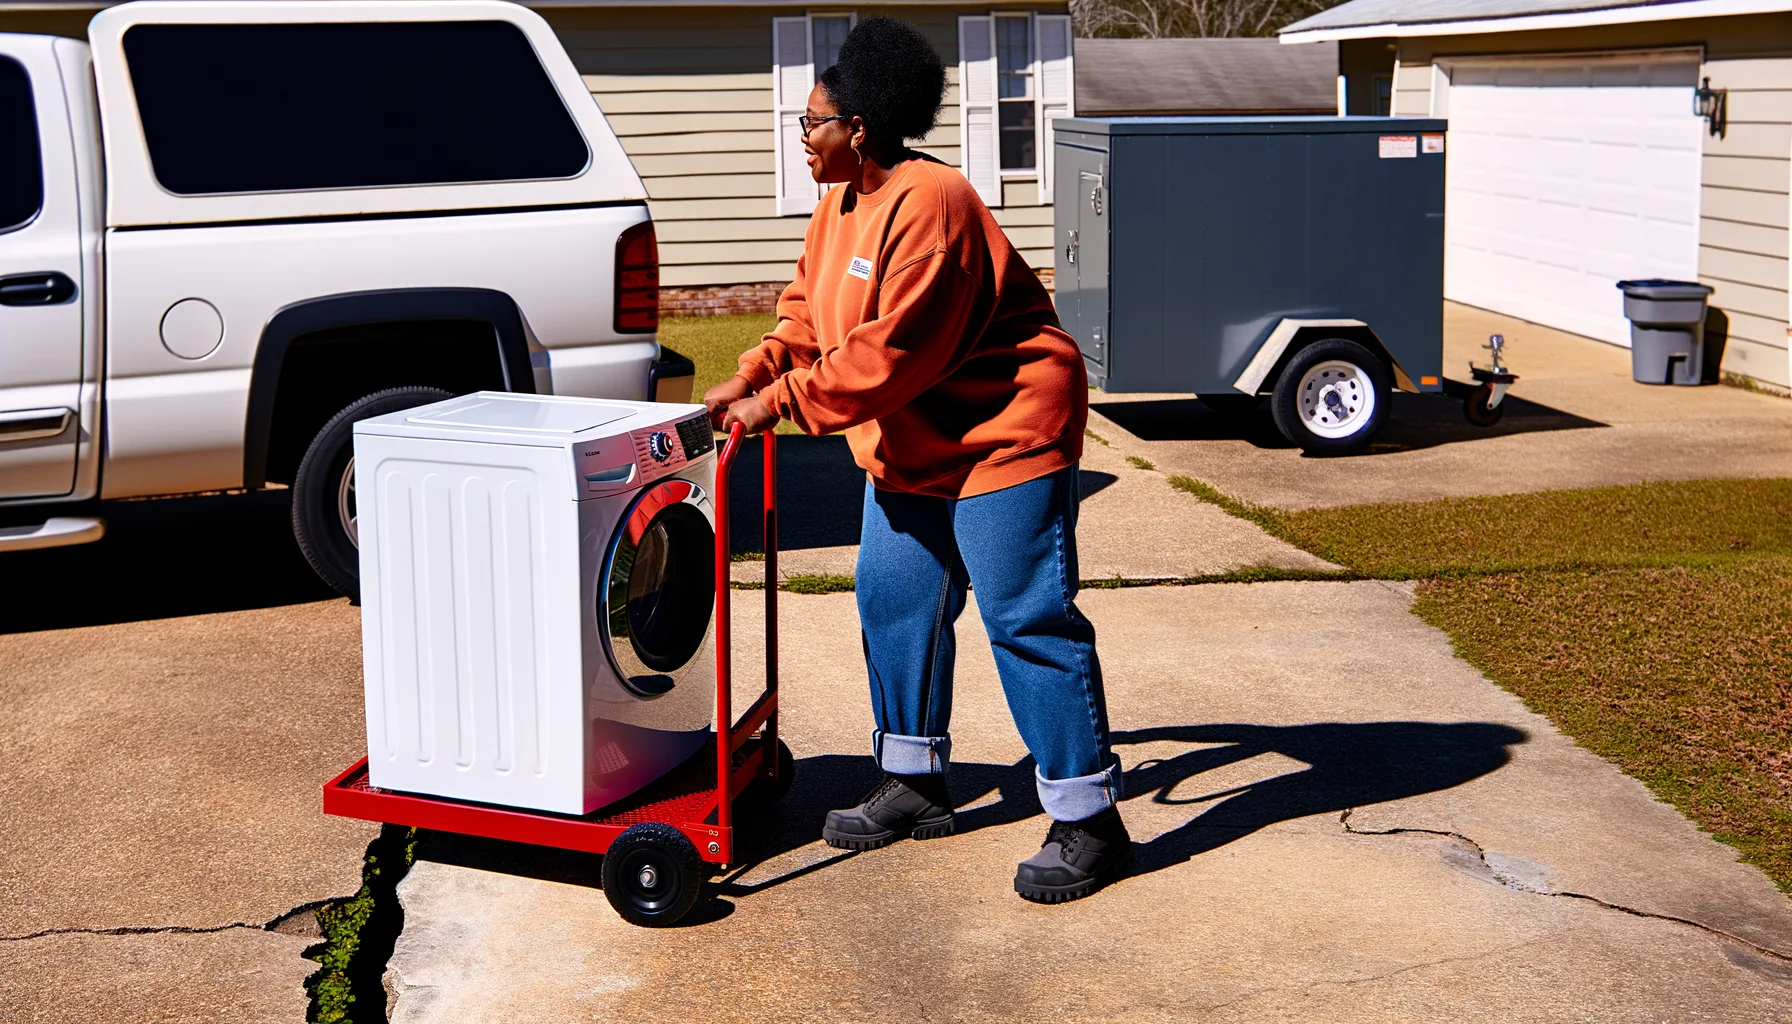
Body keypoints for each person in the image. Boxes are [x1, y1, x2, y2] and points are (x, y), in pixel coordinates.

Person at [704, 16, 1129, 903]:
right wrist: (752, 374)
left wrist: (779, 405)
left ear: (859, 126)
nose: (804, 138)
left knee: (1027, 618)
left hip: (1001, 434)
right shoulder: (838, 208)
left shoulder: (936, 204)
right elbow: (806, 320)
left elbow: (889, 357)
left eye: (811, 122)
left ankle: (1089, 819)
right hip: (908, 440)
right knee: (895, 598)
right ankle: (915, 780)